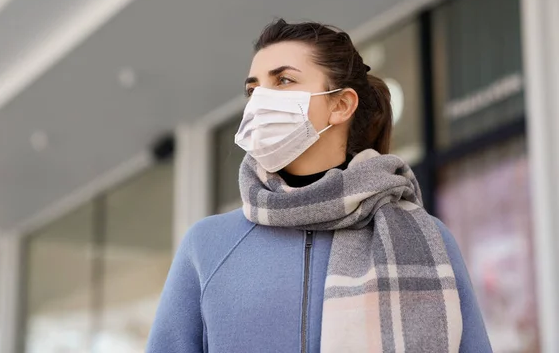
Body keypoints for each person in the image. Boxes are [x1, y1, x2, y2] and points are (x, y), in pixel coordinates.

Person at [145, 19, 492, 353]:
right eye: (253, 89)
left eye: (282, 81)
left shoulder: (426, 238)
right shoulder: (207, 245)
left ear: (341, 105)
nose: (259, 100)